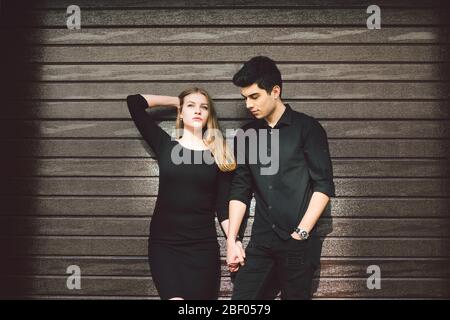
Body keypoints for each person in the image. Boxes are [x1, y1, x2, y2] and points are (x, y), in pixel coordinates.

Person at [226, 56, 336, 300]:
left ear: (275, 91)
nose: (248, 104)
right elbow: (240, 189)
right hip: (261, 241)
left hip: (298, 242)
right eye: (245, 98)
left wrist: (301, 233)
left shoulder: (308, 128)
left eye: (254, 96)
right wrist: (232, 240)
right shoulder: (246, 135)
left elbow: (323, 186)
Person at [126, 87, 245, 300]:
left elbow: (222, 208)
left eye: (203, 107)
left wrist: (233, 242)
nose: (198, 110)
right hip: (165, 247)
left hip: (202, 248)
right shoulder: (165, 145)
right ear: (181, 112)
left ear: (209, 115)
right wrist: (177, 101)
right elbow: (134, 102)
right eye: (191, 106)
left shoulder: (219, 154)